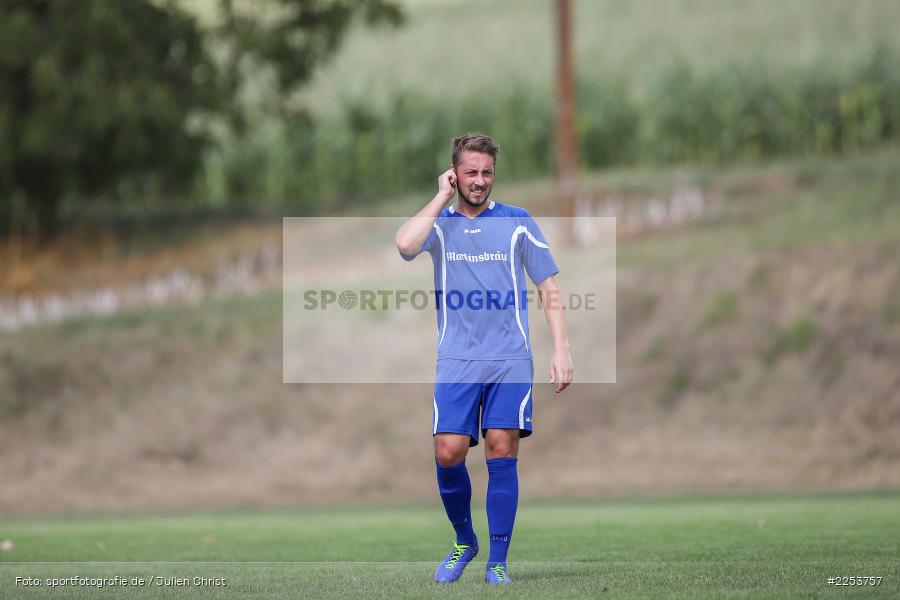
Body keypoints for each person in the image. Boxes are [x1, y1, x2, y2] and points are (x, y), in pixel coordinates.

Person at [395, 133, 574, 585]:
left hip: (509, 360)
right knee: (448, 450)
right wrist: (440, 196)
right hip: (456, 361)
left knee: (500, 449)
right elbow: (404, 244)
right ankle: (464, 541)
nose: (480, 181)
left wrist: (562, 349)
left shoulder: (518, 221)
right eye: (471, 172)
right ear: (456, 174)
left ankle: (498, 561)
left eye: (487, 172)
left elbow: (548, 288)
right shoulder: (441, 224)